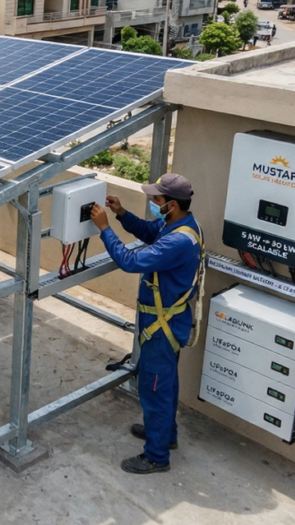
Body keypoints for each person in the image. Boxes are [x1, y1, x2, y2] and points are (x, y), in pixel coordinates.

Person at [90, 174, 204, 475]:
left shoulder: (178, 241)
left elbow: (129, 261)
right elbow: (148, 230)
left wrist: (105, 229)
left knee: (155, 388)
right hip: (169, 320)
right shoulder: (180, 224)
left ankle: (156, 456)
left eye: (156, 199)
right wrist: (121, 213)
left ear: (172, 204)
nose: (153, 203)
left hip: (162, 324)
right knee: (165, 383)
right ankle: (166, 436)